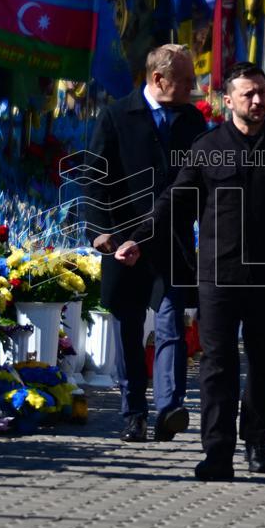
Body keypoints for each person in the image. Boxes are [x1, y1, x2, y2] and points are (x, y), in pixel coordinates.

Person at [115, 62, 265, 480]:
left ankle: (257, 443)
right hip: (218, 277)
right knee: (218, 366)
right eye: (248, 94)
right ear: (228, 101)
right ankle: (218, 452)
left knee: (264, 362)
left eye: (261, 92)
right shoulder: (207, 147)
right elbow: (174, 202)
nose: (258, 100)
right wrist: (137, 238)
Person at [83, 45, 206, 444]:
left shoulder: (192, 121)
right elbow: (94, 182)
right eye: (187, 80)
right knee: (129, 329)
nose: (194, 86)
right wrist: (101, 234)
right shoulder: (117, 116)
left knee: (172, 325)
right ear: (159, 80)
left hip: (173, 244)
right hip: (124, 243)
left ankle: (170, 408)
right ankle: (134, 411)